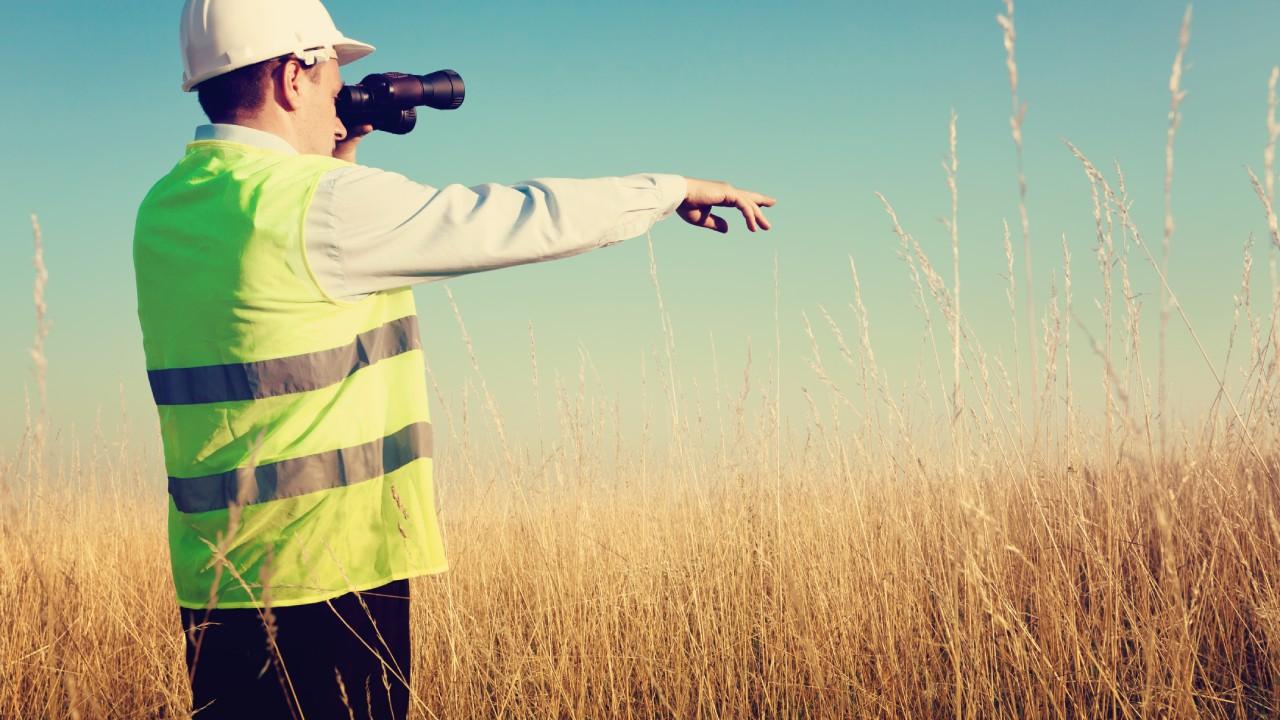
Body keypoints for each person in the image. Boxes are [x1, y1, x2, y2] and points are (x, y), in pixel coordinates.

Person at [132, 0, 777, 717]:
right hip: (330, 580)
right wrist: (671, 189)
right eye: (329, 74)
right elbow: (516, 217)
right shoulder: (319, 206)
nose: (337, 93)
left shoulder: (167, 208)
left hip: (216, 585)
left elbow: (281, 312)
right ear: (291, 78)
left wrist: (340, 156)